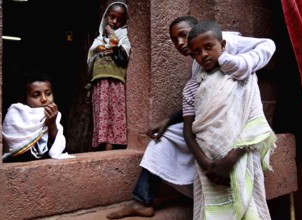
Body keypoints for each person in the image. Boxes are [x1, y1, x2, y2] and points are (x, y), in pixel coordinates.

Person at [106, 15, 276, 219]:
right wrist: (169, 121)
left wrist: (240, 64)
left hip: (237, 129)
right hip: (206, 129)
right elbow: (201, 103)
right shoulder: (197, 69)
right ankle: (142, 200)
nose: (180, 43)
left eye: (183, 35)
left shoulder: (230, 46)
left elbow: (267, 46)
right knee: (164, 139)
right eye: (175, 40)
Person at [183, 20, 277, 219]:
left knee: (247, 210)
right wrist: (207, 165)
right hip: (207, 165)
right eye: (196, 52)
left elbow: (255, 119)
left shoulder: (242, 76)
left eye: (208, 47)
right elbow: (189, 131)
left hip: (239, 159)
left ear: (223, 45)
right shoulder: (191, 87)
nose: (203, 55)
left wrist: (230, 160)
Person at [85, 1, 131, 151]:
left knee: (112, 114)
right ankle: (101, 146)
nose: (115, 22)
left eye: (120, 19)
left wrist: (112, 36)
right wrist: (89, 86)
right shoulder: (98, 40)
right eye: (112, 17)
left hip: (114, 82)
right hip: (99, 83)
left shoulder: (123, 37)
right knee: (100, 114)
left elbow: (123, 56)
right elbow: (91, 60)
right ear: (106, 17)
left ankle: (110, 147)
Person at [2, 70, 74, 162]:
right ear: (24, 99)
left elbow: (57, 149)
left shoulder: (54, 115)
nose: (44, 99)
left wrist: (52, 124)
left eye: (48, 94)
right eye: (36, 95)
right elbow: (15, 151)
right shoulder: (14, 114)